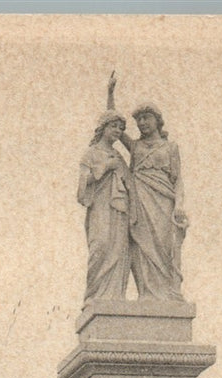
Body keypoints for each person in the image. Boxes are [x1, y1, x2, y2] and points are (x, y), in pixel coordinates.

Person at [108, 74, 187, 300]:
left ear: (156, 120)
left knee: (163, 248)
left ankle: (166, 293)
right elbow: (114, 128)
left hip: (163, 201)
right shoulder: (136, 147)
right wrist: (110, 95)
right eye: (139, 120)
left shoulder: (170, 148)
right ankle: (147, 294)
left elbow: (178, 180)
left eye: (146, 118)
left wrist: (179, 205)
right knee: (142, 247)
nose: (142, 123)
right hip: (139, 203)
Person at [77, 109, 133, 302]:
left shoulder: (119, 156)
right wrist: (105, 168)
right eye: (113, 126)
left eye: (121, 128)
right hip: (100, 208)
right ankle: (92, 295)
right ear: (103, 128)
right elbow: (82, 187)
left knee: (118, 249)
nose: (118, 131)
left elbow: (130, 183)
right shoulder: (91, 153)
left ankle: (114, 296)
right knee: (100, 246)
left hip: (120, 209)